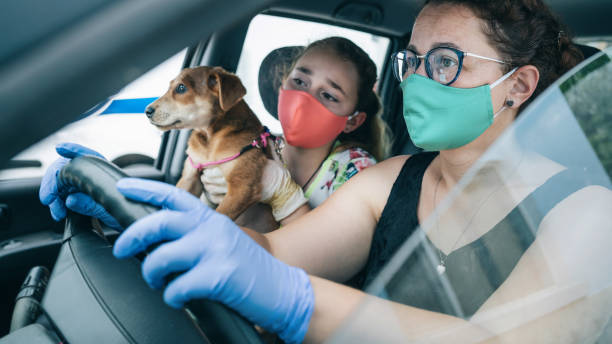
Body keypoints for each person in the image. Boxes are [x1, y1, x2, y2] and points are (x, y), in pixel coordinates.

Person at [40, 0, 612, 343]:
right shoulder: (393, 179)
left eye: (444, 62)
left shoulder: (588, 213)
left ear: (518, 85)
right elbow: (273, 256)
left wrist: (299, 302)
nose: (414, 79)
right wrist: (157, 214)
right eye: (412, 60)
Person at [203, 36, 391, 231]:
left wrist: (282, 195)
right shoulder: (253, 146)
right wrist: (211, 198)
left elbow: (326, 255)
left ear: (352, 121)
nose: (305, 99)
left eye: (328, 95)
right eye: (300, 81)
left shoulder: (356, 171)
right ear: (282, 84)